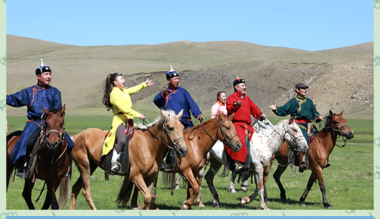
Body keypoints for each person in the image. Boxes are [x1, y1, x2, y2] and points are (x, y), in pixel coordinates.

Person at [6, 59, 75, 178]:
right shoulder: (29, 92)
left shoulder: (55, 92)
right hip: (34, 122)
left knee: (69, 143)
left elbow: (57, 109)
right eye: (46, 74)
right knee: (26, 141)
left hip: (51, 123)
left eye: (50, 74)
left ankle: (64, 167)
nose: (49, 77)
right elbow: (14, 99)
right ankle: (21, 166)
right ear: (38, 76)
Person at [101, 73, 154, 172]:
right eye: (121, 79)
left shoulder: (124, 91)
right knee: (121, 140)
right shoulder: (114, 94)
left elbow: (132, 90)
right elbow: (124, 109)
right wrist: (139, 115)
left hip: (129, 120)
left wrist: (144, 84)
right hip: (119, 120)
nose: (123, 80)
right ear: (115, 82)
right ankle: (114, 162)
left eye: (123, 78)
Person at [269, 82, 324, 172]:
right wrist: (276, 109)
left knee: (319, 137)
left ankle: (319, 160)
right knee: (303, 138)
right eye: (303, 89)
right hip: (298, 125)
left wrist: (318, 116)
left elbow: (314, 112)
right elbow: (284, 110)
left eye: (306, 89)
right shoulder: (293, 101)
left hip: (309, 125)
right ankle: (301, 162)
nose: (305, 90)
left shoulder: (309, 101)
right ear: (297, 90)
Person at [226, 77, 266, 172]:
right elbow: (229, 108)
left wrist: (260, 114)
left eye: (245, 85)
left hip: (249, 125)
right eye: (243, 86)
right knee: (239, 141)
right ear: (236, 87)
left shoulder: (247, 99)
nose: (245, 87)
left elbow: (254, 108)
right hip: (237, 124)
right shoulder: (231, 97)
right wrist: (236, 106)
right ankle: (239, 162)